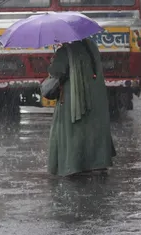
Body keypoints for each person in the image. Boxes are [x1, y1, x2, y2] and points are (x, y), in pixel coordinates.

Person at [46, 38, 116, 177]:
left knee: (73, 131)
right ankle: (97, 162)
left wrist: (55, 58)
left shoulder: (65, 52)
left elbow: (56, 72)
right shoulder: (91, 46)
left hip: (74, 96)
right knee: (93, 129)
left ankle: (75, 164)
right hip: (95, 95)